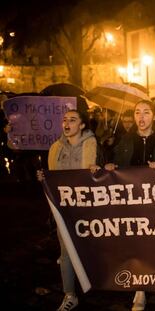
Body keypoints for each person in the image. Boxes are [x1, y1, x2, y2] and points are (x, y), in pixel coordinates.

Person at [104, 99, 155, 311]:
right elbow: (117, 164)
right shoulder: (126, 139)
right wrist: (111, 166)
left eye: (146, 112)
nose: (141, 117)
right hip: (134, 202)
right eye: (138, 112)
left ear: (153, 116)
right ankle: (140, 291)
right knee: (138, 244)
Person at [37, 109, 100, 311]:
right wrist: (44, 178)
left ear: (82, 125)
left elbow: (95, 176)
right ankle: (70, 294)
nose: (67, 124)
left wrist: (96, 171)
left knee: (87, 248)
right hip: (63, 209)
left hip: (86, 209)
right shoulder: (55, 147)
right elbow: (53, 180)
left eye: (72, 120)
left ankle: (92, 283)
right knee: (66, 251)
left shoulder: (91, 144)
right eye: (64, 120)